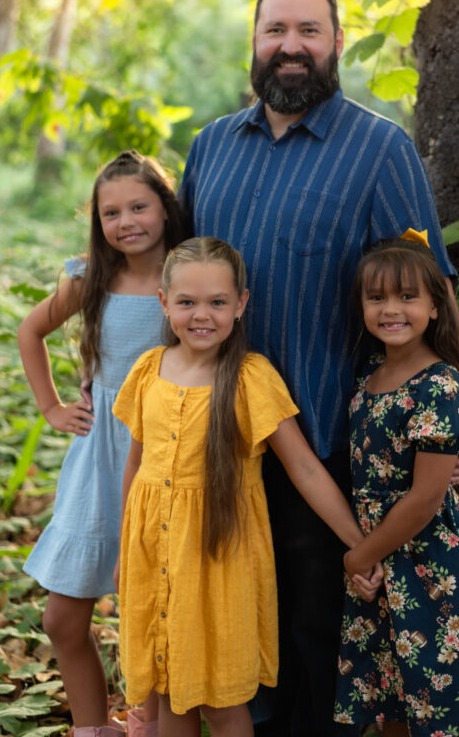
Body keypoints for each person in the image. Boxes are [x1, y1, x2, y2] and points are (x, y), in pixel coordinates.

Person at [179, 0, 459, 736]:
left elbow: (431, 290)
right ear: (254, 41)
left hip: (330, 448)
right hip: (218, 444)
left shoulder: (380, 149)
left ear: (336, 43)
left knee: (317, 649)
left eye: (308, 31)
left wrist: (458, 412)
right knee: (235, 641)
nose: (291, 46)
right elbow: (174, 278)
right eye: (276, 29)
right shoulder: (211, 147)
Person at [111, 237, 380, 737]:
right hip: (153, 555)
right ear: (164, 302)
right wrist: (124, 553)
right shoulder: (148, 370)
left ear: (241, 304)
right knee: (170, 693)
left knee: (222, 701)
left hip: (218, 565)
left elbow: (305, 469)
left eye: (217, 302)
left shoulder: (251, 378)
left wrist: (360, 544)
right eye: (187, 302)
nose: (201, 315)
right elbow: (137, 466)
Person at [18, 150, 188, 737]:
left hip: (166, 458)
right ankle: (93, 728)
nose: (125, 222)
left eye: (138, 206)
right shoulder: (91, 277)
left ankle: (151, 723)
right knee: (63, 616)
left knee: (159, 615)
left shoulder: (185, 276)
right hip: (99, 459)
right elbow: (31, 330)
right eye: (110, 212)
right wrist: (51, 407)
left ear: (165, 208)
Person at [334, 233, 459, 735]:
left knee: (434, 705)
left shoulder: (439, 386)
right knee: (393, 701)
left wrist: (359, 557)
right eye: (377, 297)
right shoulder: (367, 375)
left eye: (408, 297)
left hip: (426, 562)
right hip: (380, 563)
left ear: (434, 306)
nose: (391, 309)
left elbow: (426, 499)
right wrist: (368, 558)